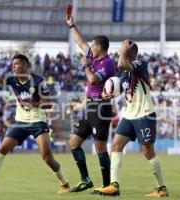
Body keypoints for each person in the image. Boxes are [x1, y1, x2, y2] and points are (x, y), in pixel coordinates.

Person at [0, 54, 69, 194]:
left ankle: (65, 184)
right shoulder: (11, 79)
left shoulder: (38, 81)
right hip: (20, 122)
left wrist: (33, 103)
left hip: (38, 121)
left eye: (17, 64)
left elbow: (48, 104)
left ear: (25, 66)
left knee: (47, 157)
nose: (13, 66)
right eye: (13, 64)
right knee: (2, 148)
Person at [94, 40, 169, 197]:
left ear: (128, 51)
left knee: (147, 152)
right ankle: (114, 186)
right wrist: (106, 94)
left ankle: (161, 188)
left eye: (122, 48)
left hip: (144, 114)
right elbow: (118, 88)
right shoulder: (123, 73)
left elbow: (121, 64)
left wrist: (123, 52)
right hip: (129, 115)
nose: (119, 49)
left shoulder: (139, 64)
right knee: (115, 146)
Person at [65, 16, 116, 192]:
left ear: (100, 48)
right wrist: (72, 25)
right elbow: (81, 43)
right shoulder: (93, 57)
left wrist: (85, 66)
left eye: (93, 46)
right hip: (90, 107)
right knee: (73, 143)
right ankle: (85, 180)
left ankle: (107, 185)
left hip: (101, 107)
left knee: (100, 146)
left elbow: (93, 80)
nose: (90, 48)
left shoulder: (108, 63)